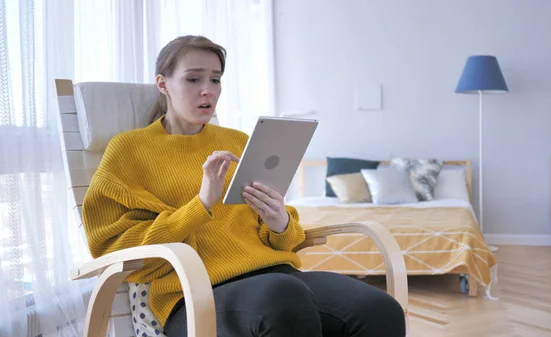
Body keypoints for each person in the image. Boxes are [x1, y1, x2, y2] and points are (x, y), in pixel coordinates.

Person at [82, 35, 406, 337]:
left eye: (215, 79)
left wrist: (279, 221)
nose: (207, 90)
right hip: (194, 294)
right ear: (163, 84)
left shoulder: (237, 142)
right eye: (193, 79)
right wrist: (201, 205)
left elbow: (287, 240)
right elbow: (114, 248)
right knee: (283, 297)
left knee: (379, 309)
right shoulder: (129, 150)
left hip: (277, 275)